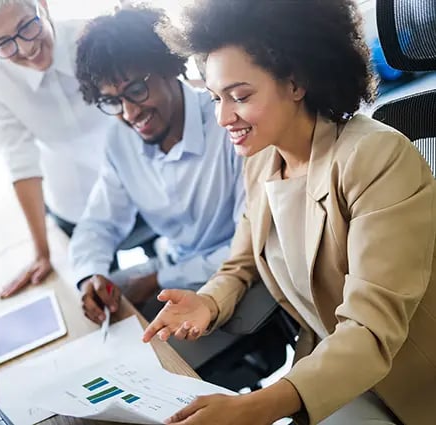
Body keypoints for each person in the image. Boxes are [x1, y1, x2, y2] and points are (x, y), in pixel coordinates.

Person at [142, 1, 436, 424]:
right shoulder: (263, 160)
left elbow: (371, 330)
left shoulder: (376, 158)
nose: (224, 117)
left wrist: (251, 409)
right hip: (336, 376)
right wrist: (208, 301)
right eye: (215, 98)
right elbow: (240, 266)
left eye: (240, 96)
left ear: (296, 82)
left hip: (411, 383)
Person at [70, 6, 244, 323]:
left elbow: (250, 246)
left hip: (230, 280)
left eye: (136, 90)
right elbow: (98, 224)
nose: (129, 113)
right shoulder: (120, 140)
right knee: (87, 318)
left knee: (140, 349)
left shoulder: (229, 124)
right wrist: (90, 276)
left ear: (169, 66)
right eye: (112, 101)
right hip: (172, 266)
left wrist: (160, 279)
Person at [0, 0, 116, 297]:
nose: (25, 48)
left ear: (42, 5)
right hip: (76, 204)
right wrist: (41, 253)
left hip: (143, 182)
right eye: (4, 42)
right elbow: (19, 160)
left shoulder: (90, 35)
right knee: (101, 295)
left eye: (26, 26)